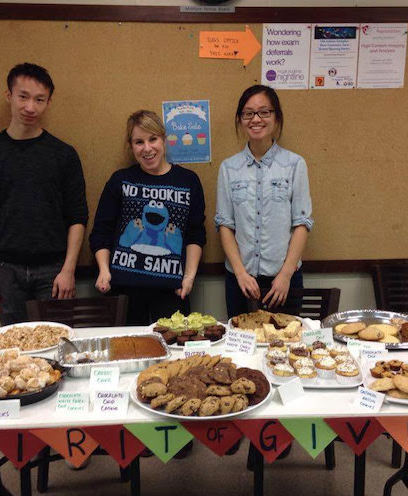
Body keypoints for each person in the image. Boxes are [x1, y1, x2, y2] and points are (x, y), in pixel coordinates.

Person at [0, 63, 89, 325]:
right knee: (13, 351)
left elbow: (77, 216)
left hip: (54, 270)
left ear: (48, 102)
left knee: (57, 345)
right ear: (9, 96)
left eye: (39, 99)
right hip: (5, 270)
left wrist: (69, 270)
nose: (30, 107)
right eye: (23, 97)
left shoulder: (64, 155)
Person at [90, 110, 206, 325]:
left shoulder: (188, 181)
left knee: (173, 355)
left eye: (153, 139)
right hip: (124, 290)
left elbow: (195, 235)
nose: (147, 148)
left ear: (163, 139)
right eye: (139, 142)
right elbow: (101, 232)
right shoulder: (120, 180)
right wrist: (104, 271)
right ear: (131, 146)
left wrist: (189, 277)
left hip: (172, 291)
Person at [215, 85, 313, 319]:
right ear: (240, 120)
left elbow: (302, 223)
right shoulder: (229, 168)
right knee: (242, 349)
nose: (256, 119)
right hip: (241, 280)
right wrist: (240, 273)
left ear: (276, 117)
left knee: (288, 348)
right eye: (248, 113)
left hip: (283, 281)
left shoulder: (294, 164)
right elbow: (225, 225)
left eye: (264, 112)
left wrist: (286, 275)